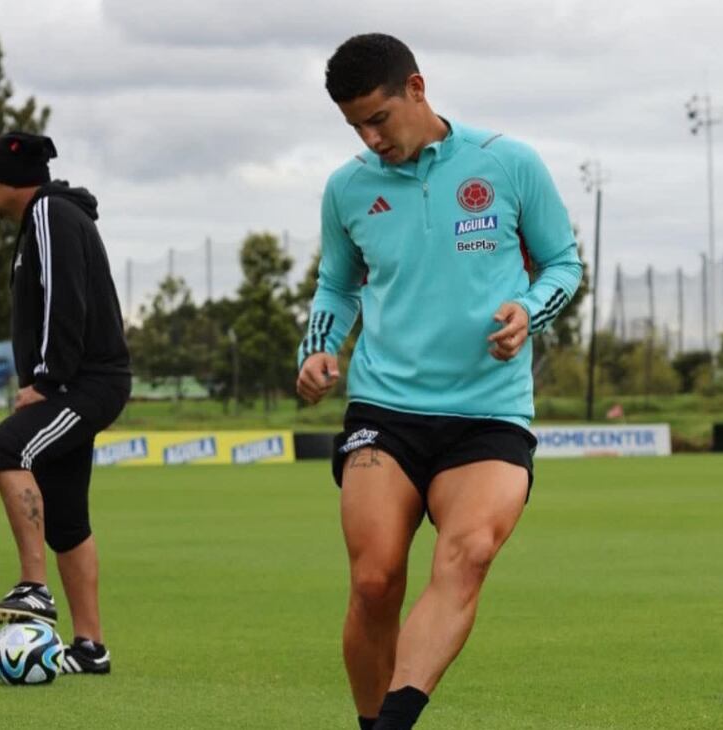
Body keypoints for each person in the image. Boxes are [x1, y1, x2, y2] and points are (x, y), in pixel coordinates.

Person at [296, 34, 583, 730]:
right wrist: (319, 348)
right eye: (355, 126)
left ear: (417, 89)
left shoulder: (507, 163)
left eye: (379, 119)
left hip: (490, 411)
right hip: (385, 409)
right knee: (373, 581)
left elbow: (564, 265)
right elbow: (337, 284)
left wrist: (529, 312)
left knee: (470, 552)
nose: (370, 138)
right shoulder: (348, 188)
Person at [0, 131, 131, 676]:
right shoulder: (50, 219)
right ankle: (90, 648)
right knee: (67, 517)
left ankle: (34, 588)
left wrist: (46, 378)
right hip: (83, 382)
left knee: (2, 451)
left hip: (81, 383)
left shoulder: (48, 215)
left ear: (10, 182)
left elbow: (64, 302)